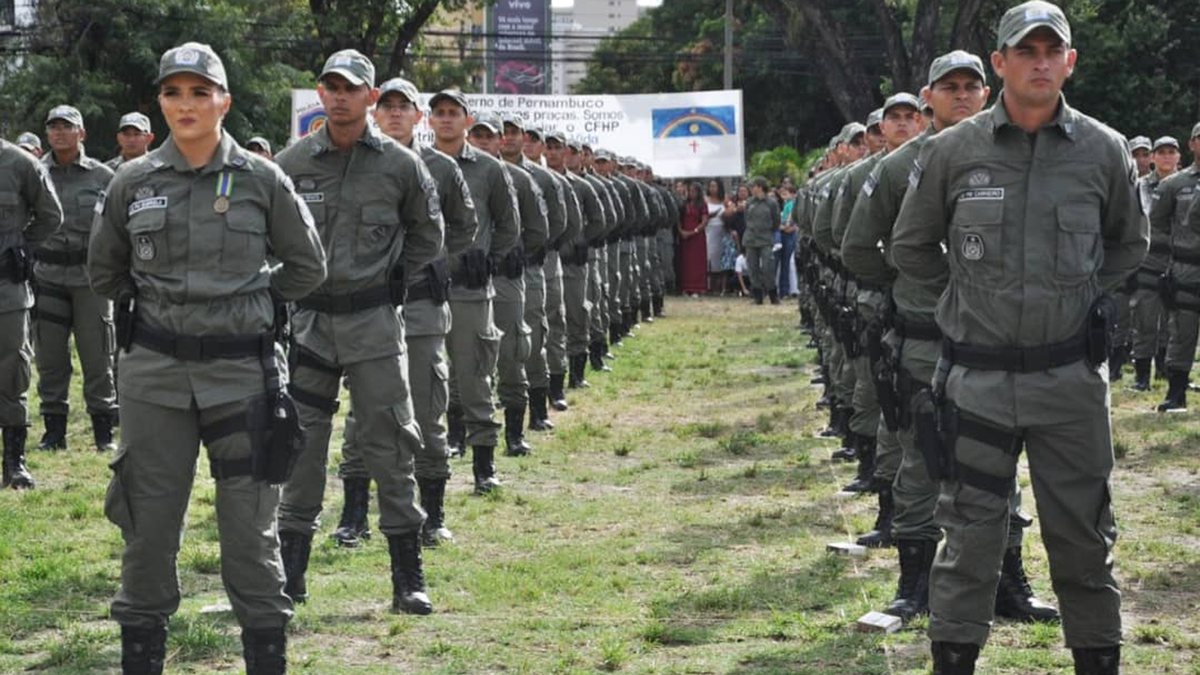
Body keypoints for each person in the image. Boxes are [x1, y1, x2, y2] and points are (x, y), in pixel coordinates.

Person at [890, 3, 1144, 670]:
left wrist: (1080, 299)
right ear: (998, 62)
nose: (1038, 61)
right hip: (977, 381)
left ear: (1069, 61)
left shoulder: (1104, 149)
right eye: (1023, 50)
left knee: (1085, 540)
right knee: (969, 540)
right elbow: (911, 247)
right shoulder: (951, 151)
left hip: (1070, 385)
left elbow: (1129, 244)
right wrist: (969, 300)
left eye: (1050, 50)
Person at [88, 42, 326, 672]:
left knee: (249, 532)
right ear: (159, 102)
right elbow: (104, 272)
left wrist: (254, 301)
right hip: (154, 378)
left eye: (200, 92)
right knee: (148, 528)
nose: (186, 105)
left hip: (242, 375)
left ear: (224, 99)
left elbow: (307, 266)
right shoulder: (131, 181)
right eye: (173, 93)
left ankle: (265, 655)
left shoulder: (259, 178)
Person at [845, 49, 1056, 628]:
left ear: (986, 94)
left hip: (999, 341)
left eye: (972, 86)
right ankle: (914, 585)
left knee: (1002, 456)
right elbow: (859, 248)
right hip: (927, 338)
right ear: (927, 97)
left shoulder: (1020, 158)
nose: (962, 95)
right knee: (923, 455)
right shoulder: (897, 168)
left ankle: (1009, 583)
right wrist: (918, 289)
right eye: (949, 87)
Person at [275, 48, 443, 615]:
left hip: (374, 322)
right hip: (312, 325)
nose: (339, 96)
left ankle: (407, 579)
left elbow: (429, 235)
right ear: (320, 93)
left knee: (391, 441)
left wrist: (393, 279)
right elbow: (267, 236)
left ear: (371, 96)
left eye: (351, 88)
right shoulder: (292, 164)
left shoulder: (400, 165)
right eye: (330, 86)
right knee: (300, 444)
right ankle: (290, 578)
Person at [329, 76, 478, 550]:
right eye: (387, 105)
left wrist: (429, 264)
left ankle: (432, 513)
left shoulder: (440, 167)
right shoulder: (354, 164)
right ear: (375, 112)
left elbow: (462, 226)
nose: (394, 113)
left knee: (428, 412)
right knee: (362, 416)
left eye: (404, 106)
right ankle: (354, 515)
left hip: (419, 308)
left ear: (419, 116)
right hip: (367, 309)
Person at [427, 90, 521, 491]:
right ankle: (441, 448)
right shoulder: (415, 163)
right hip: (426, 287)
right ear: (429, 120)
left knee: (475, 375)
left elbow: (509, 223)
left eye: (453, 113)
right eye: (439, 113)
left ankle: (484, 463)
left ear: (466, 120)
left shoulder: (488, 169)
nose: (446, 120)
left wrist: (490, 259)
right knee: (432, 376)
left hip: (469, 286)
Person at [33, 105, 118, 452]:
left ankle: (103, 432)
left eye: (67, 126)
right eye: (53, 127)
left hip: (90, 280)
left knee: (97, 356)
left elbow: (118, 225)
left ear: (81, 133)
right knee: (50, 359)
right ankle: (54, 432)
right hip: (47, 276)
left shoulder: (103, 177)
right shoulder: (34, 172)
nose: (59, 133)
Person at [0, 133, 62, 490]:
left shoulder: (21, 164)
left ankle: (13, 462)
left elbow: (51, 215)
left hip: (6, 288)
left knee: (12, 369)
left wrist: (22, 248)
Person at [1150, 127, 1200, 411]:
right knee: (1182, 332)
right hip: (1186, 268)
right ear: (1192, 143)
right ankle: (1176, 393)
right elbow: (1156, 221)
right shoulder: (1175, 184)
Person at [1129, 135, 1181, 389]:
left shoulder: (1187, 184)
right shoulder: (1139, 186)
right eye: (1161, 152)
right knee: (1145, 318)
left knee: (1174, 322)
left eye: (1171, 152)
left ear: (1178, 157)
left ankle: (1165, 370)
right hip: (1148, 259)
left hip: (1179, 259)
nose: (1166, 157)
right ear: (1153, 158)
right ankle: (1141, 377)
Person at [741, 176, 781, 304]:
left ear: (760, 187)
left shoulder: (771, 203)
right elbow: (746, 218)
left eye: (753, 186)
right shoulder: (750, 202)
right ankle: (757, 295)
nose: (751, 189)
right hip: (751, 239)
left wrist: (768, 231)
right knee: (752, 268)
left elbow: (776, 221)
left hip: (765, 238)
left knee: (768, 267)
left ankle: (773, 294)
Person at [678, 181, 708, 296]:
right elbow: (679, 219)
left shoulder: (702, 205)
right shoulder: (684, 204)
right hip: (685, 237)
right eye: (689, 191)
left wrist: (694, 231)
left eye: (693, 191)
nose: (691, 193)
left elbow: (704, 221)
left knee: (697, 263)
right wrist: (681, 231)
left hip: (697, 237)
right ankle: (686, 287)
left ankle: (697, 288)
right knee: (686, 263)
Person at [703, 179, 727, 293]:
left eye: (715, 186)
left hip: (720, 229)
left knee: (718, 258)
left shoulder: (724, 200)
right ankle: (707, 285)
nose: (712, 189)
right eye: (711, 186)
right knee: (708, 256)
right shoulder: (705, 200)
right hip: (708, 229)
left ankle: (718, 286)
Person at [777, 184, 798, 297]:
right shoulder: (786, 205)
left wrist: (787, 226)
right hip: (785, 232)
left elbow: (790, 219)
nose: (783, 196)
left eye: (786, 193)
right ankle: (784, 289)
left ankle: (786, 289)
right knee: (784, 263)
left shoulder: (792, 205)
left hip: (789, 233)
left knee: (787, 261)